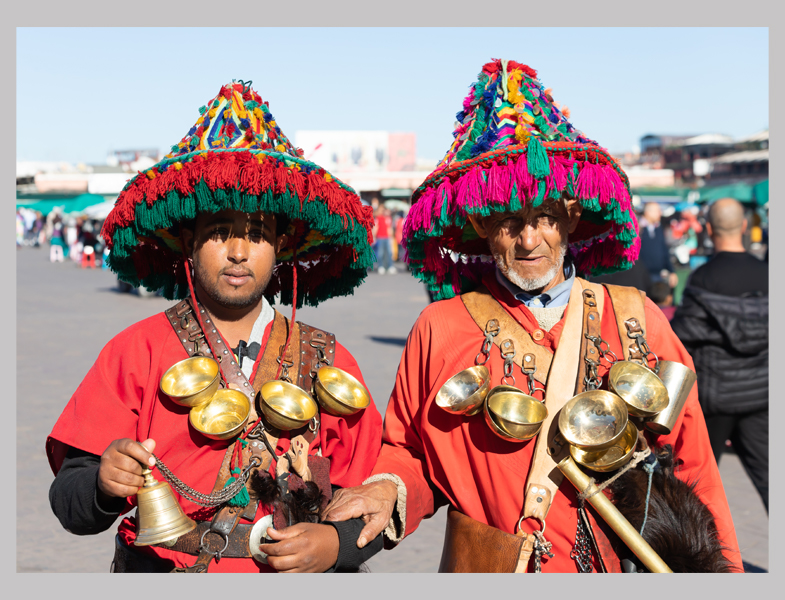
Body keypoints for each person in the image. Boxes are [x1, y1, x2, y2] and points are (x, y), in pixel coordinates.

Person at [323, 59, 742, 573]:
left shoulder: (639, 318)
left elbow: (695, 466)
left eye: (544, 217)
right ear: (480, 226)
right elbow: (409, 450)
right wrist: (385, 488)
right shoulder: (441, 327)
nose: (528, 240)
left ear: (570, 216)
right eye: (509, 221)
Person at [46, 81, 384, 573]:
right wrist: (101, 481)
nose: (239, 252)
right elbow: (70, 502)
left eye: (257, 235)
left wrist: (337, 546)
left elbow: (375, 494)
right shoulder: (135, 350)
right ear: (187, 240)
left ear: (282, 246)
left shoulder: (329, 360)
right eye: (220, 232)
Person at [671, 197, 768, 512]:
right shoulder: (767, 274)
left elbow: (681, 338)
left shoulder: (702, 279)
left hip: (715, 400)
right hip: (760, 394)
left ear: (709, 229)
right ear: (743, 227)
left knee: (694, 486)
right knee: (770, 480)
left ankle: (695, 555)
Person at [638, 202, 678, 288]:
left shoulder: (658, 229)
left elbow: (664, 250)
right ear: (647, 212)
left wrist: (672, 271)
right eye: (657, 211)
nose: (660, 213)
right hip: (641, 275)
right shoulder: (637, 228)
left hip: (658, 275)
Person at [374, 206, 396, 274]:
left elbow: (390, 228)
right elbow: (376, 227)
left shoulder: (389, 218)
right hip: (380, 237)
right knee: (381, 253)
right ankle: (381, 266)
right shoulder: (378, 218)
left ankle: (390, 266)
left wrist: (391, 238)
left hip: (387, 238)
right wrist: (374, 237)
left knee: (389, 253)